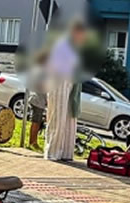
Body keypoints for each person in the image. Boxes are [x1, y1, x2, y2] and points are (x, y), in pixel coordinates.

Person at [45, 20, 87, 162]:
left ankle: (66, 153)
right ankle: (53, 152)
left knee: (69, 118)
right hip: (59, 82)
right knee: (58, 117)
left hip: (71, 83)